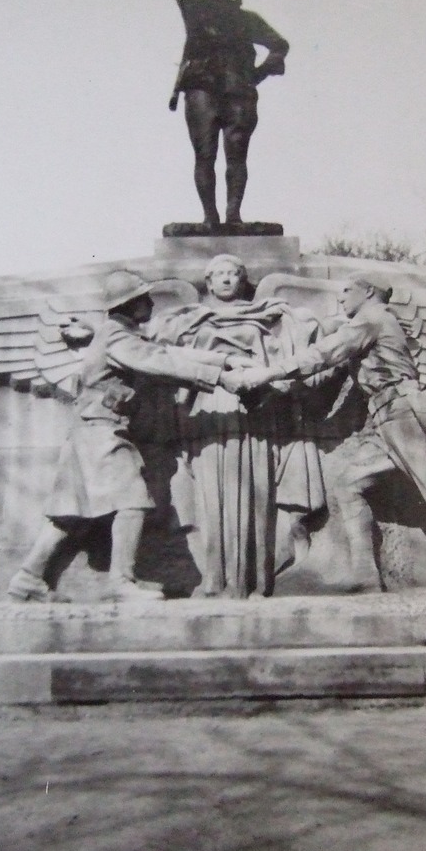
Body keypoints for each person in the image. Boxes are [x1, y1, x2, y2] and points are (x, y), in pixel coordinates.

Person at [235, 273, 426, 623]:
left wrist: (264, 374)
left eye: (347, 291)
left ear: (368, 292)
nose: (342, 297)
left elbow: (324, 353)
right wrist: (270, 383)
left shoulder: (373, 319)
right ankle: (365, 578)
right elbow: (321, 374)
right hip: (384, 419)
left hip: (403, 416)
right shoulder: (366, 326)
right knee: (349, 484)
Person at [7, 270, 248, 603]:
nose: (150, 304)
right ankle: (121, 582)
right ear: (131, 305)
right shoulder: (117, 337)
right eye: (144, 299)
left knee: (72, 514)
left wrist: (225, 360)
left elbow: (173, 354)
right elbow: (157, 360)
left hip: (96, 430)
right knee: (133, 500)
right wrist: (220, 377)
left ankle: (28, 578)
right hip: (102, 431)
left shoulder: (124, 335)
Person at [150, 254, 326, 599]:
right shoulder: (191, 320)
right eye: (220, 275)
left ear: (243, 280)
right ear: (209, 282)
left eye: (234, 273)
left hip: (255, 411)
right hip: (208, 410)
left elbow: (287, 355)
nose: (227, 280)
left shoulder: (265, 315)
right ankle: (214, 580)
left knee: (258, 498)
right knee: (210, 501)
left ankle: (259, 582)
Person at [163, 0, 289, 229]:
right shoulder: (195, 8)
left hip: (238, 88)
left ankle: (231, 216)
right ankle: (212, 218)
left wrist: (263, 70)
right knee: (206, 154)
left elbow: (280, 44)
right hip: (203, 87)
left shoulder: (247, 18)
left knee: (234, 155)